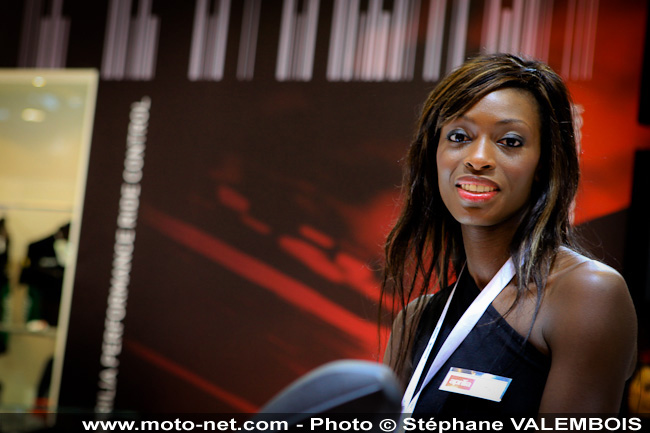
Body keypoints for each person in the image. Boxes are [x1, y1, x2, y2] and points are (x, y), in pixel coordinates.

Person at [380, 54, 637, 415]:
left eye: (510, 141)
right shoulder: (414, 320)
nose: (478, 158)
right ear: (434, 154)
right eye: (458, 136)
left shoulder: (587, 295)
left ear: (543, 164)